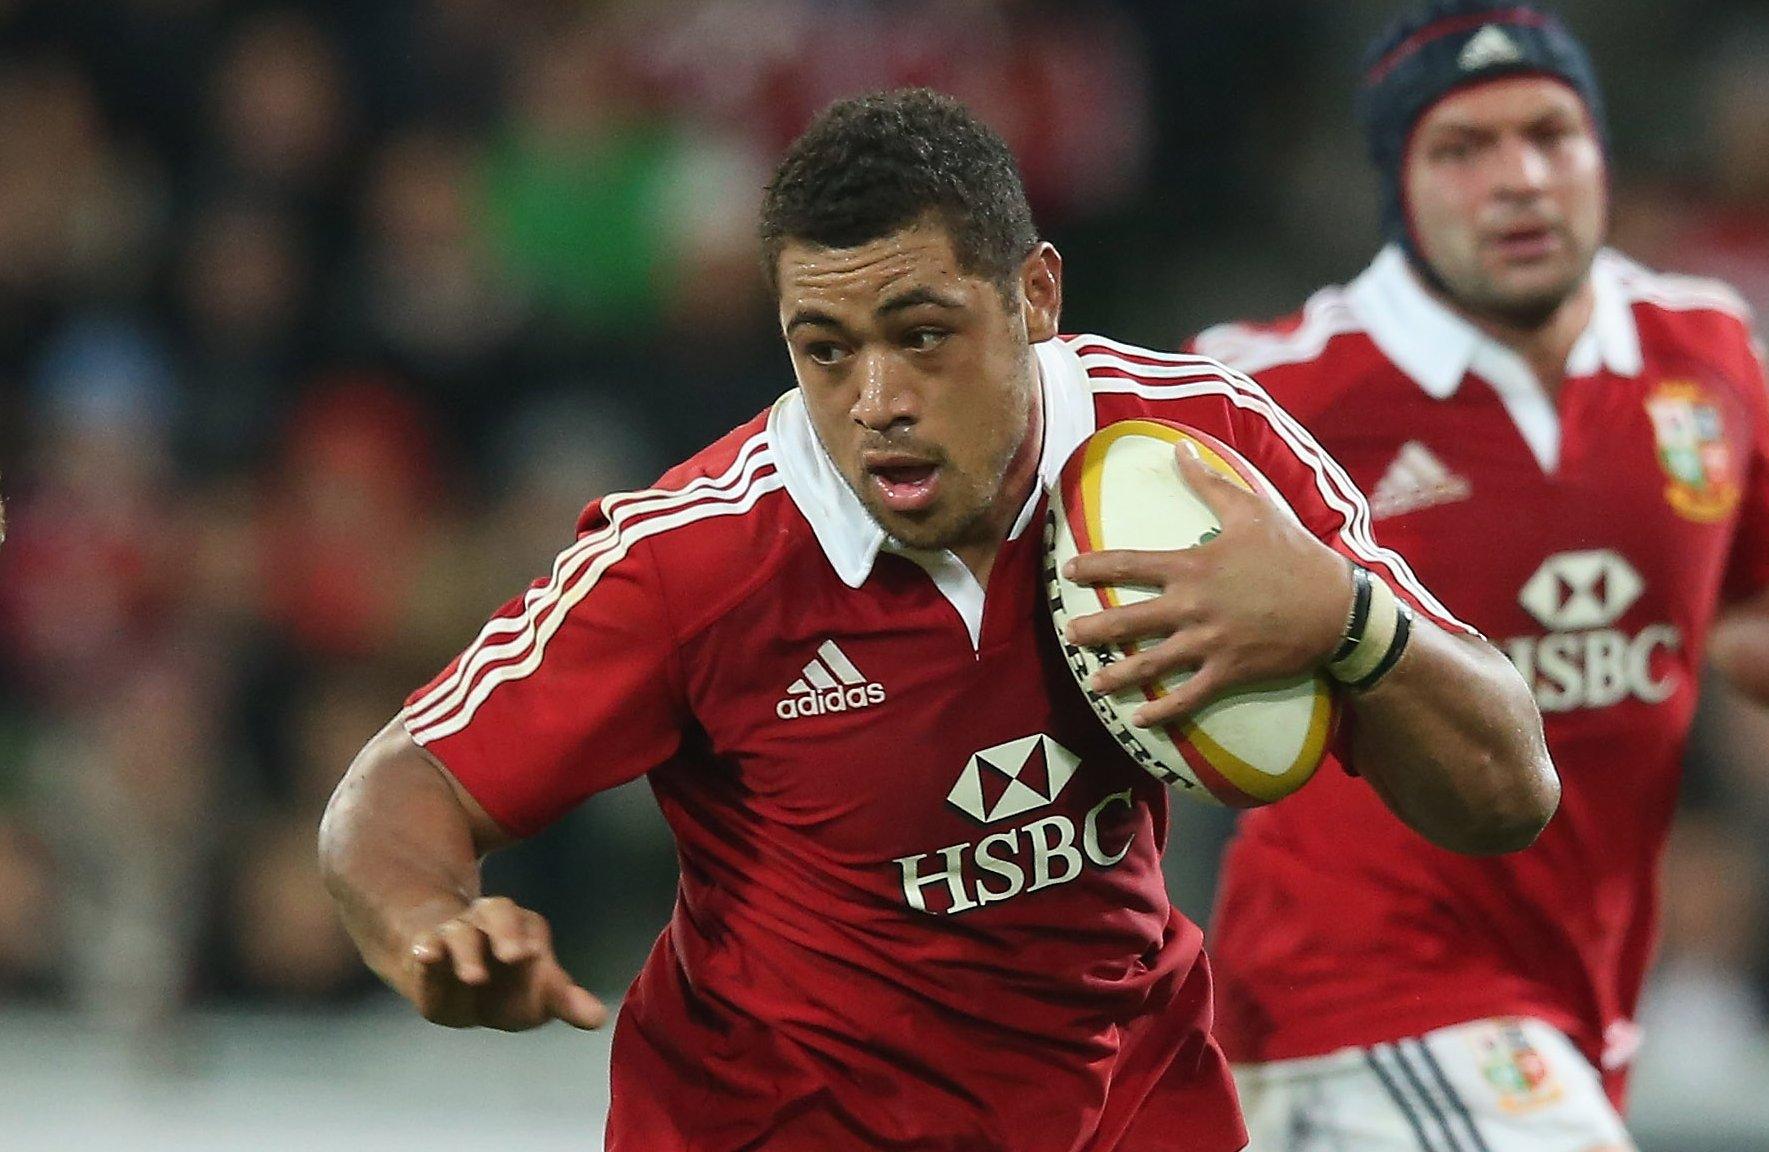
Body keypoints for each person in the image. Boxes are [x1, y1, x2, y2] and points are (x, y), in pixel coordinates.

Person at [319, 88, 1558, 1152]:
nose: (876, 402)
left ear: (1032, 295)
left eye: (920, 336)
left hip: (1125, 1104)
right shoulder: (693, 559)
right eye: (825, 349)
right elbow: (392, 798)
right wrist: (432, 929)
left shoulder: (1197, 453)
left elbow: (1508, 792)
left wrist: (1346, 619)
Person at [1188, 4, 1769, 1149]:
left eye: (1550, 133)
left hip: (1577, 992)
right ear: (1398, 182)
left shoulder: (1705, 347)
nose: (1520, 179)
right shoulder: (1264, 389)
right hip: (1350, 988)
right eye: (1463, 148)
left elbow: (1757, 592)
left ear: (1602, 150)